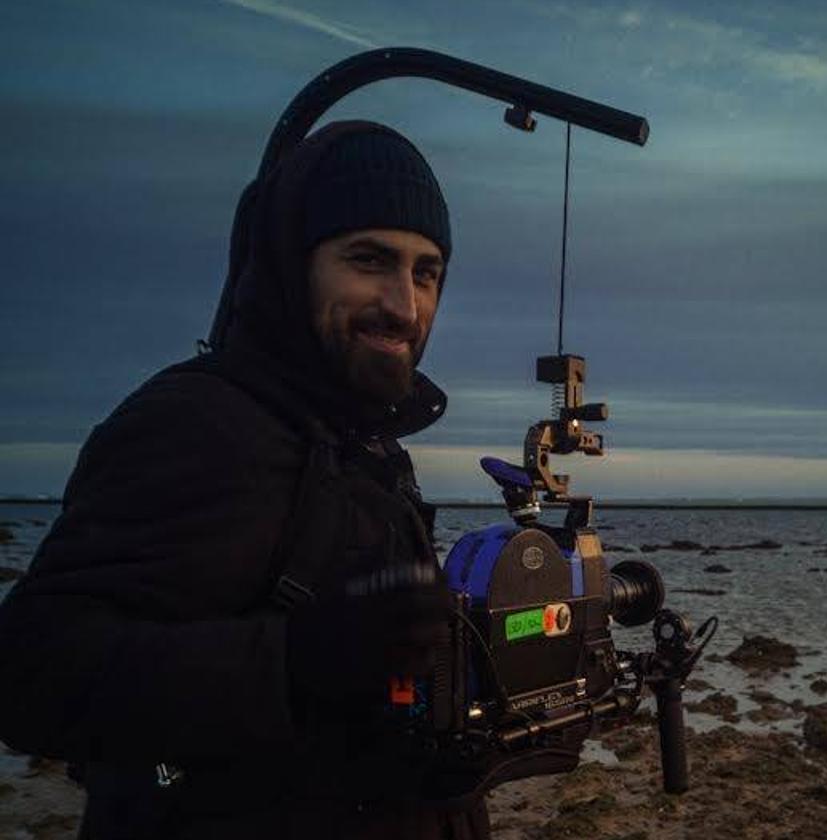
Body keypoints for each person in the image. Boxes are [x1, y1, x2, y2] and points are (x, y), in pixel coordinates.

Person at [0, 120, 492, 839]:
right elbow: (34, 669)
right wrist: (295, 660)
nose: (404, 305)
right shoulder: (198, 422)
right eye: (369, 260)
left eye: (426, 273)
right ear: (292, 265)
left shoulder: (366, 443)